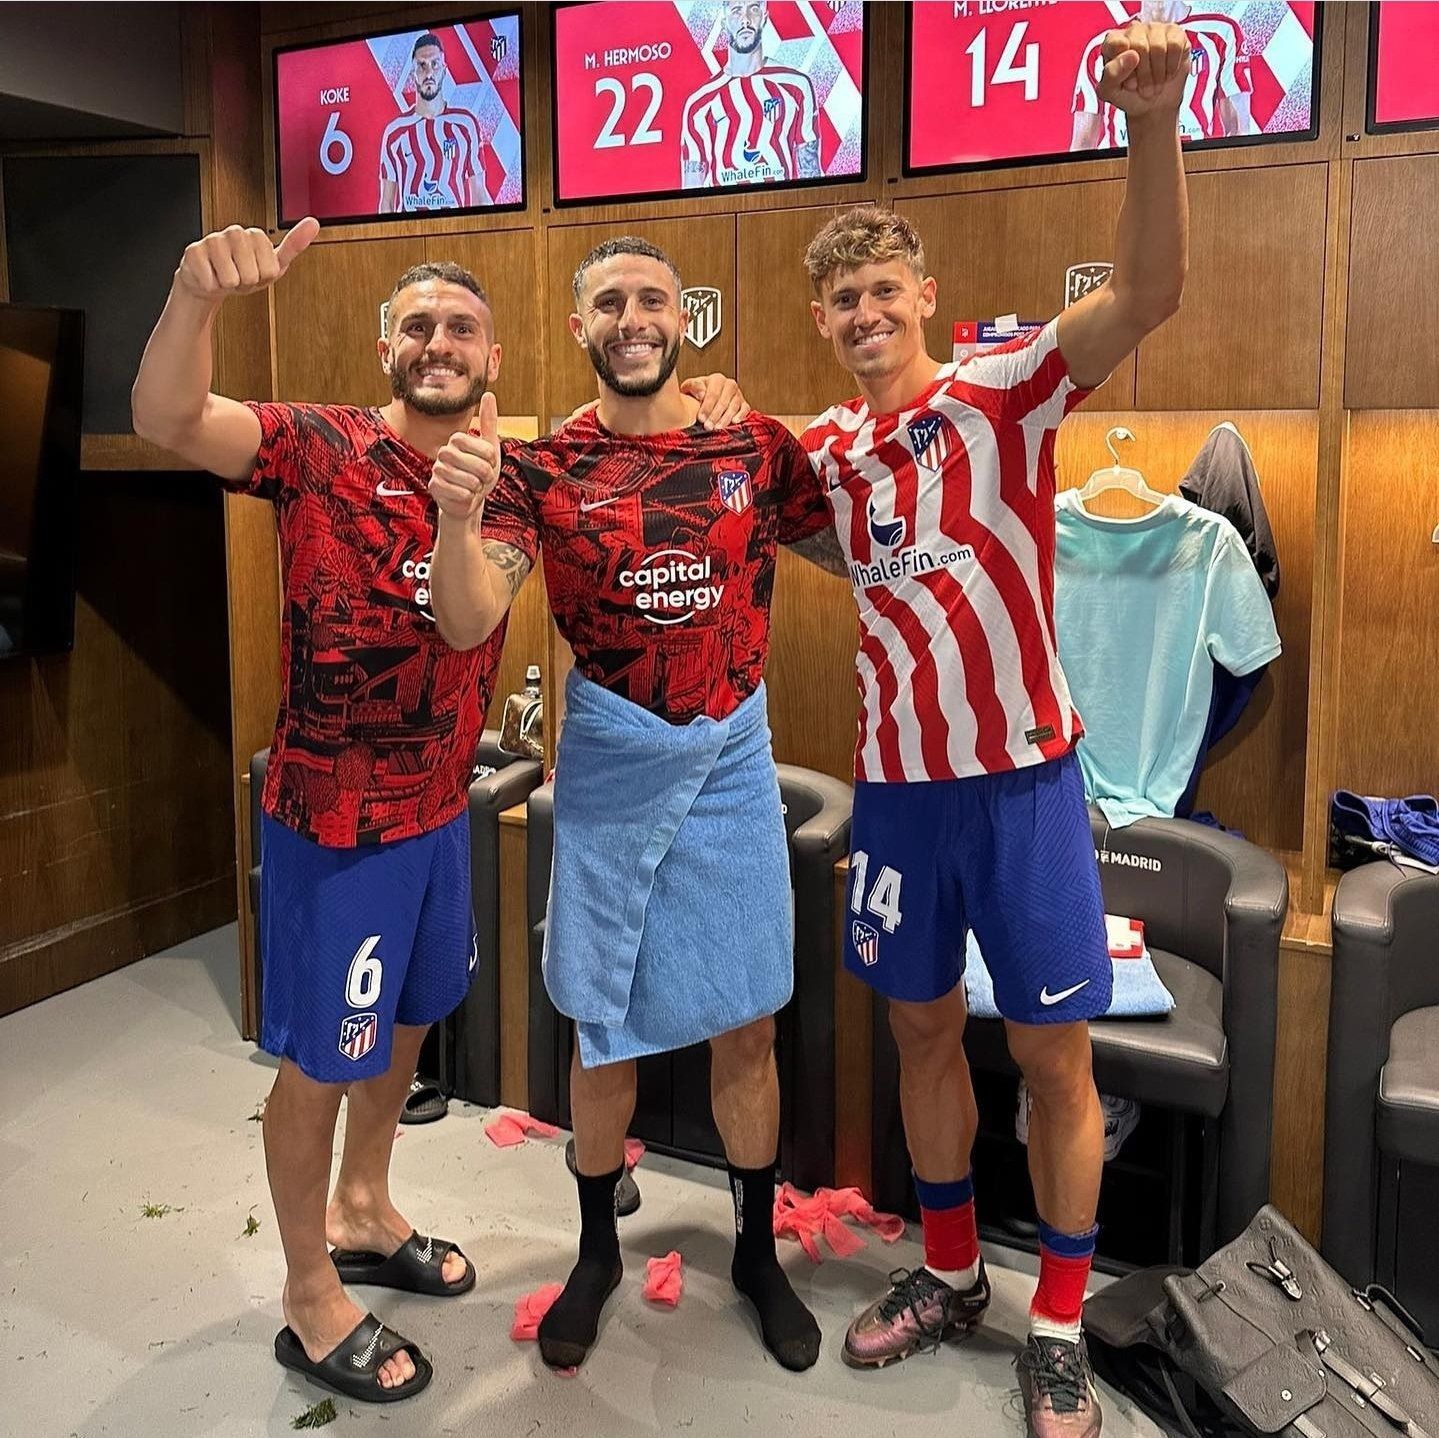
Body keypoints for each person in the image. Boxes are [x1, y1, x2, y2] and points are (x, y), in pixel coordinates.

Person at [129, 219, 746, 1404]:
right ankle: (308, 1290)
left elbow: (627, 467)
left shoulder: (508, 476)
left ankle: (364, 1206)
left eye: (460, 327)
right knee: (320, 1059)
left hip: (435, 814)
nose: (438, 343)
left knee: (409, 1023)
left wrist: (718, 395)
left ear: (495, 356)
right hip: (331, 826)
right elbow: (168, 416)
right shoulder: (317, 446)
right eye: (416, 326)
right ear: (386, 349)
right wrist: (192, 293)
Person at [797, 19, 1190, 1437]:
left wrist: (1151, 122)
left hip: (1022, 782)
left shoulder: (1004, 389)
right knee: (917, 1037)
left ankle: (1056, 1320)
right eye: (840, 299)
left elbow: (1146, 290)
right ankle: (953, 1271)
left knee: (1050, 1056)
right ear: (822, 320)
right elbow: (758, 509)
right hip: (898, 795)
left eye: (880, 289)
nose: (863, 314)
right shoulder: (823, 455)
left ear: (924, 296)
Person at [427, 235, 841, 1375]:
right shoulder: (540, 468)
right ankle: (595, 1252)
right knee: (599, 1026)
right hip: (611, 771)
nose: (632, 318)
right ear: (580, 328)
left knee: (747, 1023)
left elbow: (862, 551)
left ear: (682, 316)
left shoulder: (751, 446)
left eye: (651, 298)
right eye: (608, 302)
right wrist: (456, 519)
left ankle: (754, 1252)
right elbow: (468, 620)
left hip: (731, 763)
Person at [1072, 0, 1254, 152]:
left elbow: (1238, 131)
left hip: (1195, 172)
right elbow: (1083, 145)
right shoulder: (1101, 47)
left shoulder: (1220, 33)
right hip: (1125, 175)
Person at [681, 0, 820, 189]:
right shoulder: (699, 103)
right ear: (724, 23)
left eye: (753, 9)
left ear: (765, 17)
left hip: (782, 204)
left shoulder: (796, 85)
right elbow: (692, 189)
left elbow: (811, 177)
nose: (745, 19)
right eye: (736, 11)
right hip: (723, 207)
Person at [380, 31, 489, 213]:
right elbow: (387, 203)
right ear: (413, 74)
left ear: (444, 70)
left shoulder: (465, 124)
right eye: (422, 65)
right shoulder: (395, 131)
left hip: (456, 229)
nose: (429, 72)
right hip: (409, 230)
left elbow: (479, 194)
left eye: (435, 64)